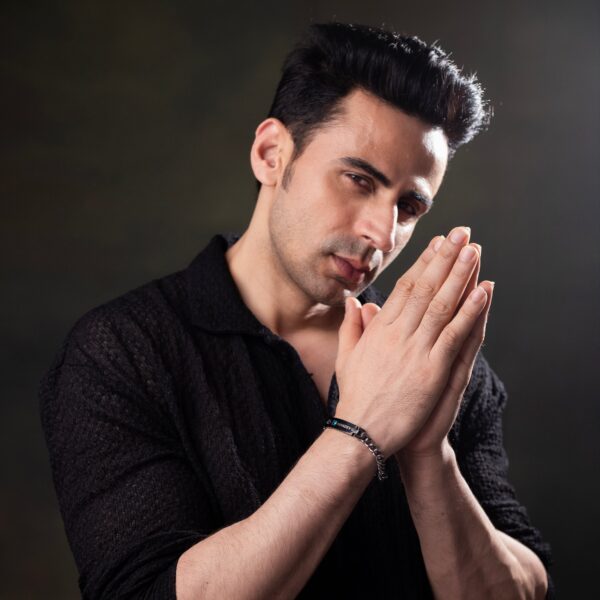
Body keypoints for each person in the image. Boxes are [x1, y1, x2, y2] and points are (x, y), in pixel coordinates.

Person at [40, 22, 553, 599]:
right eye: (358, 179)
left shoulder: (429, 360)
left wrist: (428, 454)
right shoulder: (121, 353)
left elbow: (524, 586)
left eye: (409, 206)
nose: (382, 233)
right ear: (271, 154)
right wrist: (360, 433)